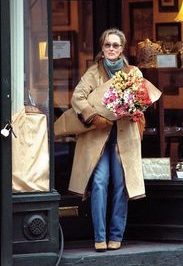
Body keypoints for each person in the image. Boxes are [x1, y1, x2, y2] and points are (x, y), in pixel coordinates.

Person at [69, 28, 146, 252]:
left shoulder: (133, 73)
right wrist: (93, 115)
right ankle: (99, 236)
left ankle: (116, 234)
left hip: (125, 137)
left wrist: (133, 108)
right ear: (102, 49)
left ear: (122, 49)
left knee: (121, 186)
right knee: (100, 183)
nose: (111, 49)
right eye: (107, 45)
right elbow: (78, 97)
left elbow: (142, 100)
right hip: (98, 137)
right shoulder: (93, 72)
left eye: (115, 45)